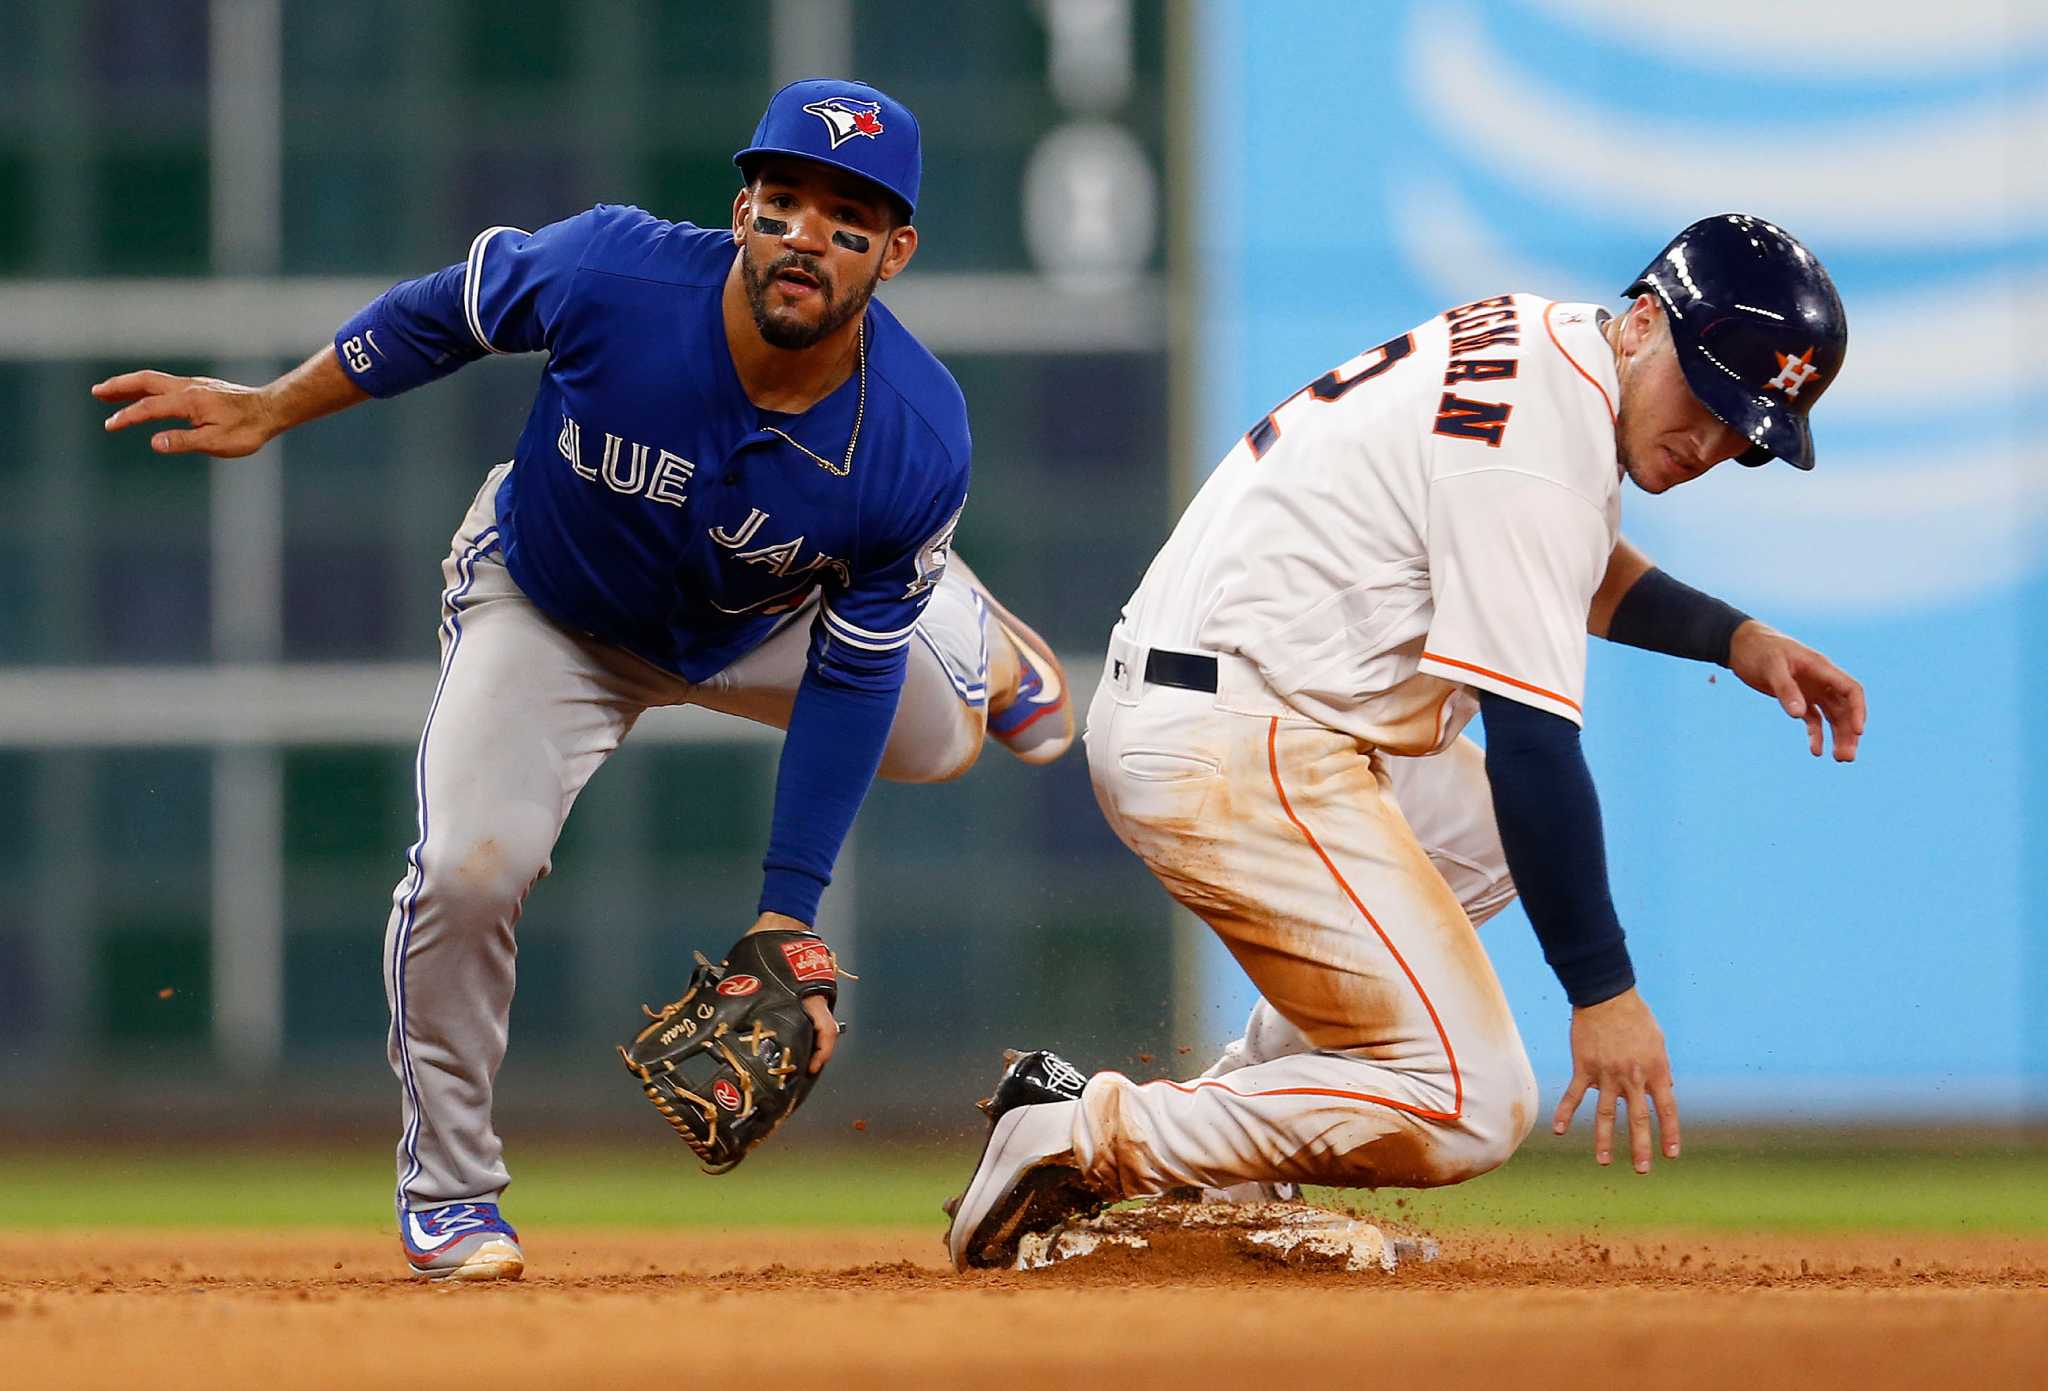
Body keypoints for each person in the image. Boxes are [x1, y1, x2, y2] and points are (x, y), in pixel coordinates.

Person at [93, 78, 1074, 1282]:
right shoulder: (612, 271)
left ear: (895, 251)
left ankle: (954, 612)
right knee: (466, 867)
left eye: (846, 217)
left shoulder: (917, 433)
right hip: (548, 608)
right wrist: (272, 405)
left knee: (940, 736)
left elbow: (851, 680)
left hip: (759, 620)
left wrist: (787, 909)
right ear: (742, 209)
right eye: (781, 201)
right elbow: (439, 313)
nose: (804, 234)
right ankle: (450, 1192)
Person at [943, 214, 1866, 1271]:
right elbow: (1532, 748)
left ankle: (1240, 1161)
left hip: (1246, 709)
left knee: (1472, 838)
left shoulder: (1544, 347)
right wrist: (1601, 992)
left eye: (1741, 433)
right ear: (1644, 322)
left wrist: (1733, 638)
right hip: (1239, 734)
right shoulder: (1539, 444)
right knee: (1474, 1100)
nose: (1711, 443)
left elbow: (1562, 550)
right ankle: (1083, 1131)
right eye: (1706, 397)